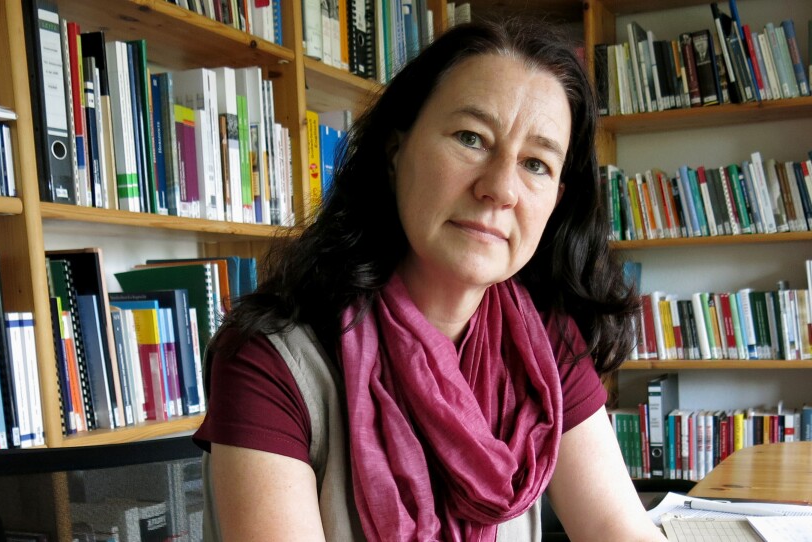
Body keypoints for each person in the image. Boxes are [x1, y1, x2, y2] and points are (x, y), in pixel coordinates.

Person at [194, 17, 666, 542]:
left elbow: (618, 530)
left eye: (536, 163)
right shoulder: (269, 362)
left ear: (557, 200)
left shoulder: (544, 345)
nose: (500, 188)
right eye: (471, 138)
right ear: (396, 152)